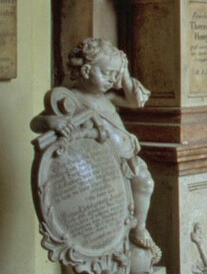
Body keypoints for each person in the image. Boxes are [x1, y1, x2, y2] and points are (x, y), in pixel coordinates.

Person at [31, 38, 160, 262]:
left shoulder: (107, 96)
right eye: (107, 73)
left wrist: (124, 72)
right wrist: (53, 122)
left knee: (145, 183)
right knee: (109, 214)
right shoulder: (71, 100)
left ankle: (139, 228)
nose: (111, 80)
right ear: (87, 70)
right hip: (100, 167)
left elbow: (135, 100)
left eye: (114, 75)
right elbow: (35, 123)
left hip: (126, 158)